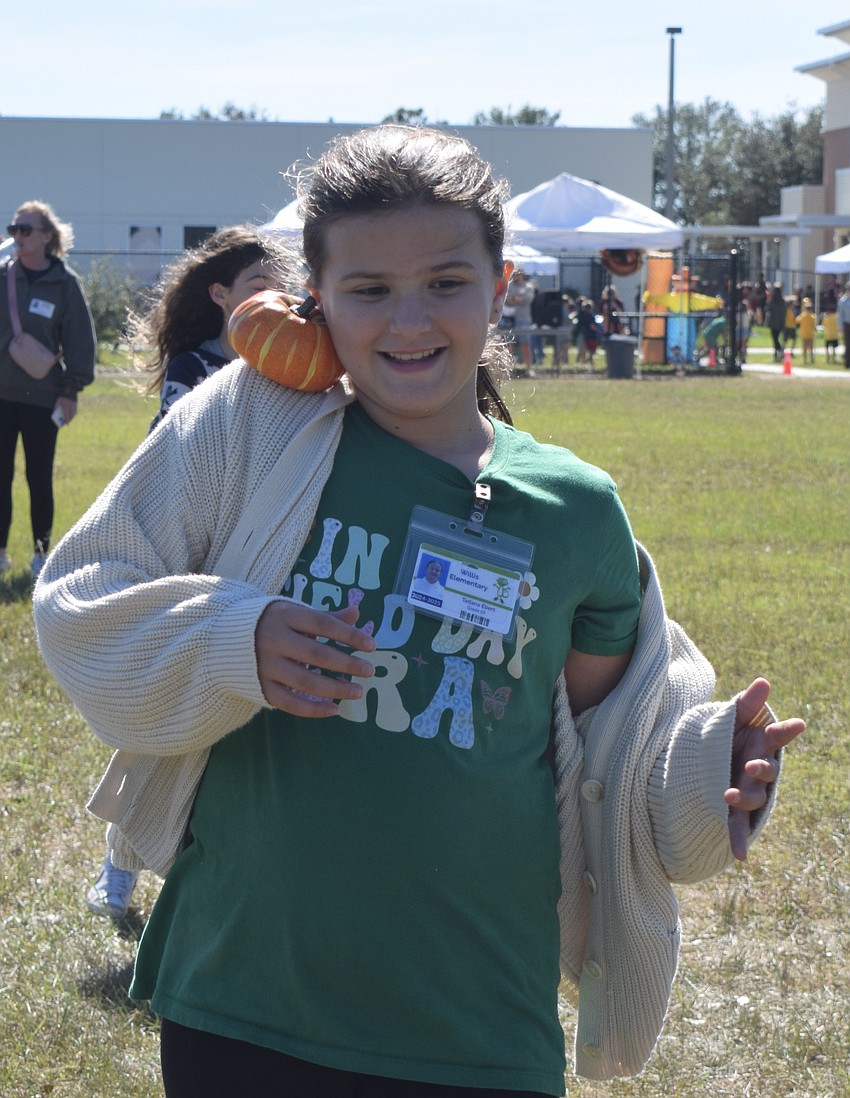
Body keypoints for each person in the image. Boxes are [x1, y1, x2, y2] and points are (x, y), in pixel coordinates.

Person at [33, 126, 804, 1096]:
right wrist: (233, 638)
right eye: (368, 289)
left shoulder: (573, 511)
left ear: (503, 283)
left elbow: (609, 748)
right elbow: (80, 600)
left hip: (477, 1018)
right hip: (242, 996)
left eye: (445, 281)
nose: (409, 321)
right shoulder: (249, 425)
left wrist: (705, 769)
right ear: (316, 295)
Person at [85, 225, 286, 920]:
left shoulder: (293, 371)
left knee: (224, 741)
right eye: (259, 286)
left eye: (281, 287)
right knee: (161, 728)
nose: (274, 299)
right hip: (190, 573)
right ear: (222, 294)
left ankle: (202, 883)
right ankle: (119, 862)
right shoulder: (197, 370)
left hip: (255, 575)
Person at [0, 201, 96, 576]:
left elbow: (79, 342)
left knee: (38, 476)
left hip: (42, 398)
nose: (18, 237)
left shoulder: (65, 283)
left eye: (26, 230)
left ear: (46, 237)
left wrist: (70, 390)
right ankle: (1, 551)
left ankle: (41, 554)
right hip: (2, 395)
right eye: (13, 229)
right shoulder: (3, 277)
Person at [505, 267, 535, 374]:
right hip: (511, 319)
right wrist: (517, 299)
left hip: (524, 319)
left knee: (525, 344)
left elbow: (528, 299)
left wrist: (516, 299)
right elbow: (508, 299)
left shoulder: (528, 286)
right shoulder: (510, 286)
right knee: (509, 345)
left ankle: (529, 368)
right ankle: (508, 369)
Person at [795, 298, 816, 365]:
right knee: (811, 348)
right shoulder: (813, 316)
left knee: (804, 348)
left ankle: (805, 360)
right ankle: (812, 359)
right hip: (810, 334)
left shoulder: (802, 316)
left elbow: (796, 321)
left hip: (804, 334)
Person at [837, 280, 850, 369]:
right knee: (847, 344)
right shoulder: (843, 301)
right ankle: (847, 363)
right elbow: (840, 315)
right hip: (847, 325)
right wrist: (841, 327)